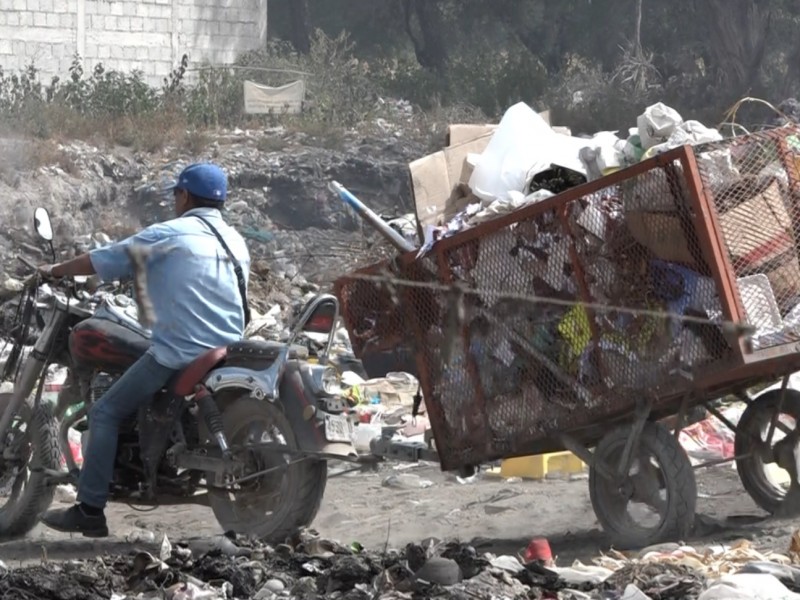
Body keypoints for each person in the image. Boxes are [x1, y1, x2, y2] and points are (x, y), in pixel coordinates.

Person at [40, 162, 251, 537]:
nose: (174, 201)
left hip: (183, 349)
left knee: (105, 412)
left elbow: (104, 259)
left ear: (184, 196)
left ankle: (89, 510)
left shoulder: (170, 232)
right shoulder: (235, 240)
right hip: (228, 346)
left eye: (176, 195)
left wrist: (55, 270)